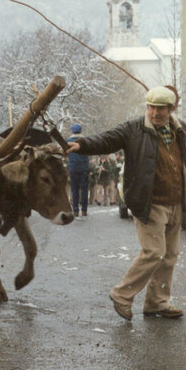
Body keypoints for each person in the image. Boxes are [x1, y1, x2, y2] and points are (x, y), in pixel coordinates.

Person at [67, 86, 184, 320]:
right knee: (153, 252)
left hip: (176, 203)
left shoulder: (180, 129)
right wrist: (82, 145)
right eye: (151, 107)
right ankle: (122, 294)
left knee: (169, 255)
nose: (154, 113)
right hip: (150, 202)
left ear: (171, 109)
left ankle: (157, 302)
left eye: (160, 108)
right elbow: (108, 139)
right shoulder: (134, 129)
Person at [66, 123, 89, 217]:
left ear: (72, 130)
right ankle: (84, 210)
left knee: (74, 190)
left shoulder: (68, 141)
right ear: (80, 130)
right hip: (84, 167)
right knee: (84, 190)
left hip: (73, 168)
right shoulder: (85, 140)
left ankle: (75, 210)